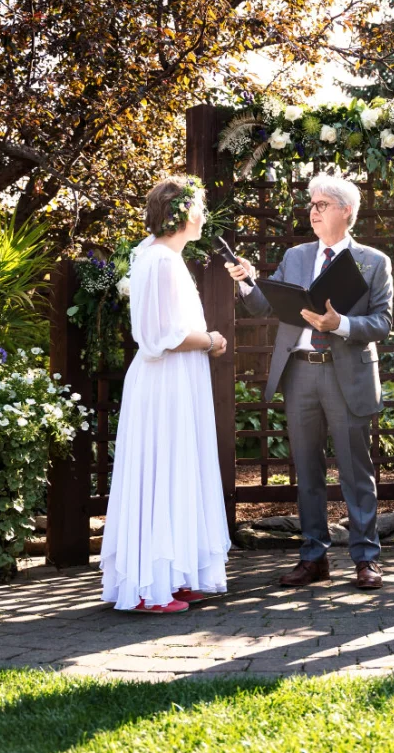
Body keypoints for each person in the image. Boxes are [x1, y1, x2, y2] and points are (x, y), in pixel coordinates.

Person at [225, 173, 393, 590]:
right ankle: (313, 557)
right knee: (307, 470)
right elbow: (267, 305)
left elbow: (383, 323)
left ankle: (366, 559)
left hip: (346, 374)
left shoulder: (374, 261)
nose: (313, 212)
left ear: (346, 210)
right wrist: (247, 281)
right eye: (311, 205)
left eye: (321, 205)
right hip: (299, 371)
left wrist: (341, 324)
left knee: (356, 470)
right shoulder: (296, 255)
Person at [100, 175, 231, 613]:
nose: (204, 215)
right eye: (199, 206)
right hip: (164, 381)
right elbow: (162, 335)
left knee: (179, 471)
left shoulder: (164, 259)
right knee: (161, 471)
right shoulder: (159, 260)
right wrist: (211, 340)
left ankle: (172, 576)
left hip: (180, 381)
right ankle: (147, 588)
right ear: (181, 214)